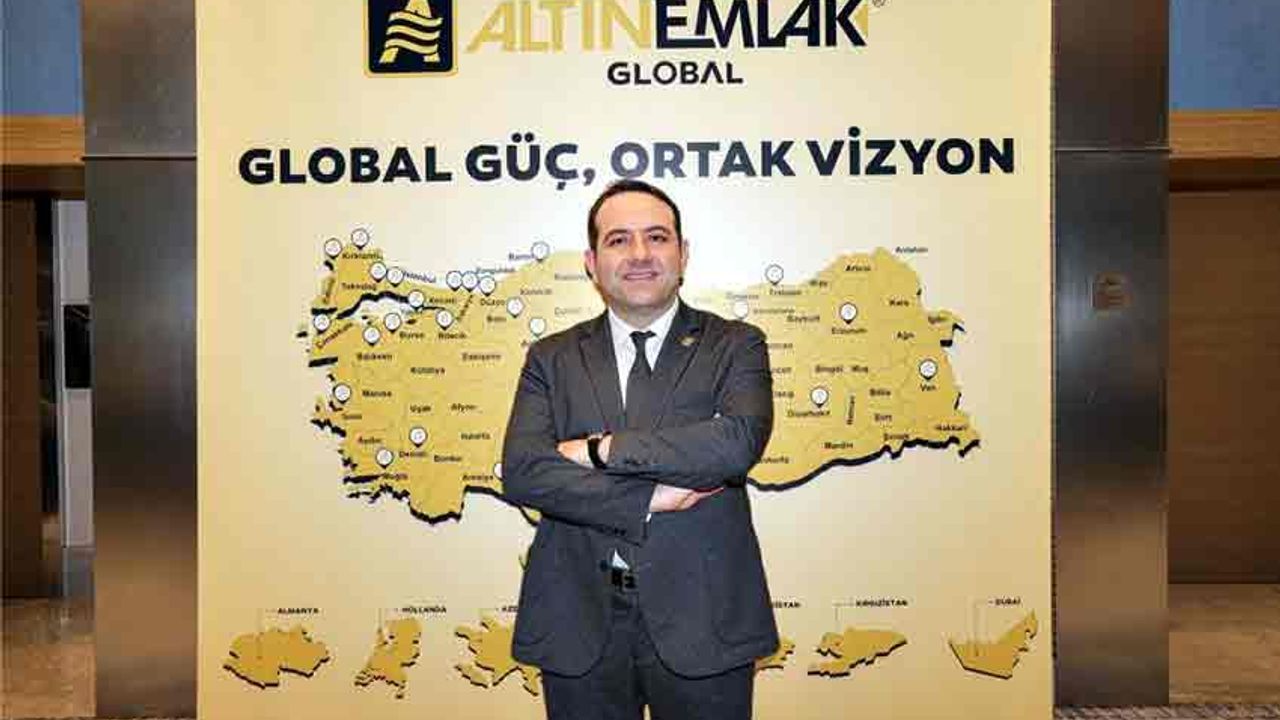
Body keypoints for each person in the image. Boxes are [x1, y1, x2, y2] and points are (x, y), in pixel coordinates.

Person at [502, 179, 779, 719]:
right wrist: (646, 498)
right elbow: (525, 471)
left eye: (657, 237)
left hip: (705, 618)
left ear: (683, 253)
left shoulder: (736, 345)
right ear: (591, 262)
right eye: (618, 240)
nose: (640, 254)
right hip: (579, 619)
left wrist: (600, 450)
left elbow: (735, 442)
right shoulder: (551, 358)